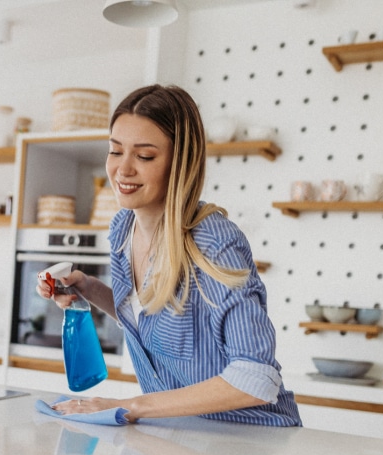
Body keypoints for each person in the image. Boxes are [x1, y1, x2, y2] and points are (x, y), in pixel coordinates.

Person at [37, 84, 301, 427]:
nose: (123, 169)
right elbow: (152, 320)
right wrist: (87, 287)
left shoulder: (214, 241)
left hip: (247, 439)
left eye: (144, 156)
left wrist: (129, 405)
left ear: (180, 162)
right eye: (115, 151)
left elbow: (256, 378)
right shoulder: (122, 229)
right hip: (181, 433)